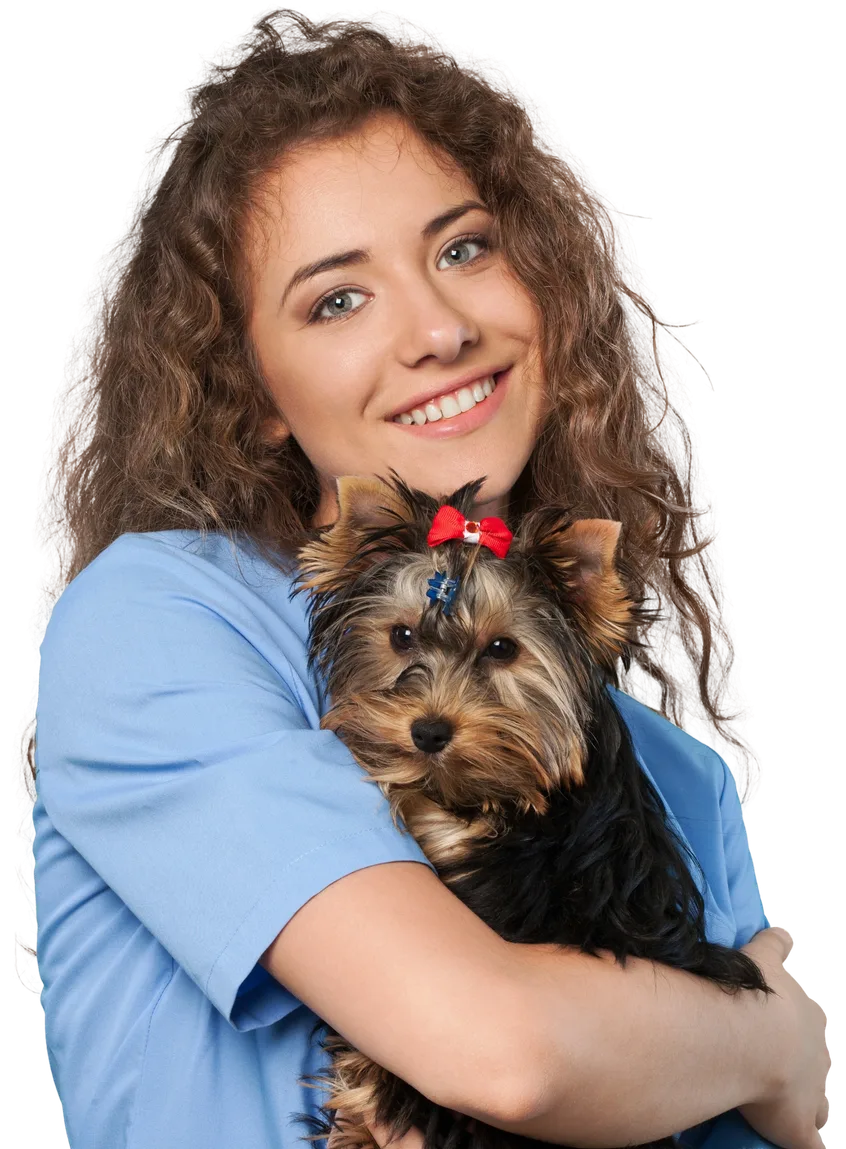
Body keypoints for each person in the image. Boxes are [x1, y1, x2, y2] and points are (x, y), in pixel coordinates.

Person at [20, 8, 830, 1149]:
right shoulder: (154, 625)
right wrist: (767, 1037)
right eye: (337, 299)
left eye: (464, 249)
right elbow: (498, 1052)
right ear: (246, 387)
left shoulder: (681, 781)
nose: (439, 330)